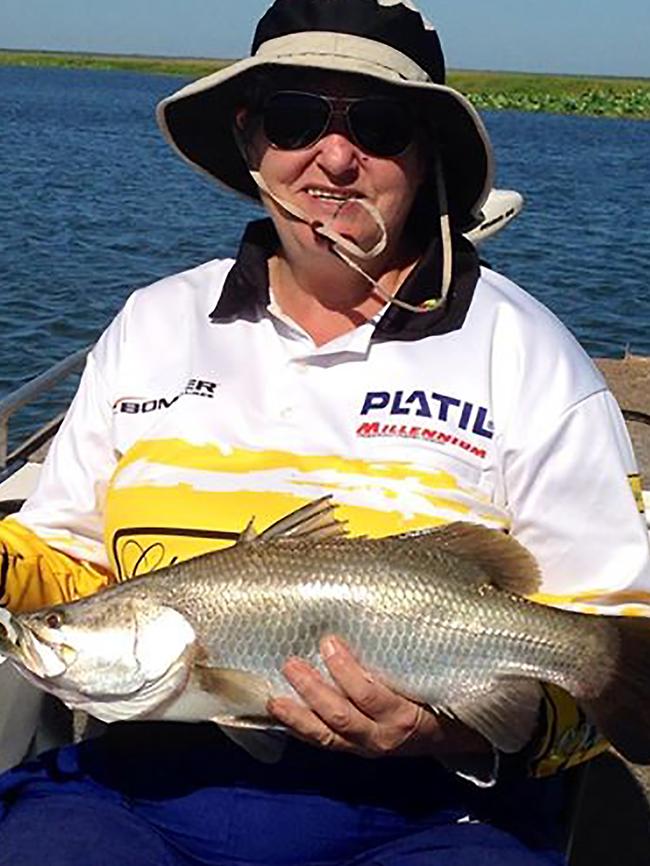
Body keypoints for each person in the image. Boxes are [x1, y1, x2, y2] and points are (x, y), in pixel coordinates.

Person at [0, 1, 649, 864]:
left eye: (378, 126)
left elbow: (613, 622)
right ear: (249, 140)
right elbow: (65, 562)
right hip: (146, 787)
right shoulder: (152, 321)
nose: (335, 156)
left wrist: (446, 732)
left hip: (432, 814)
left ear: (424, 155)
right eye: (294, 118)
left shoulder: (526, 352)